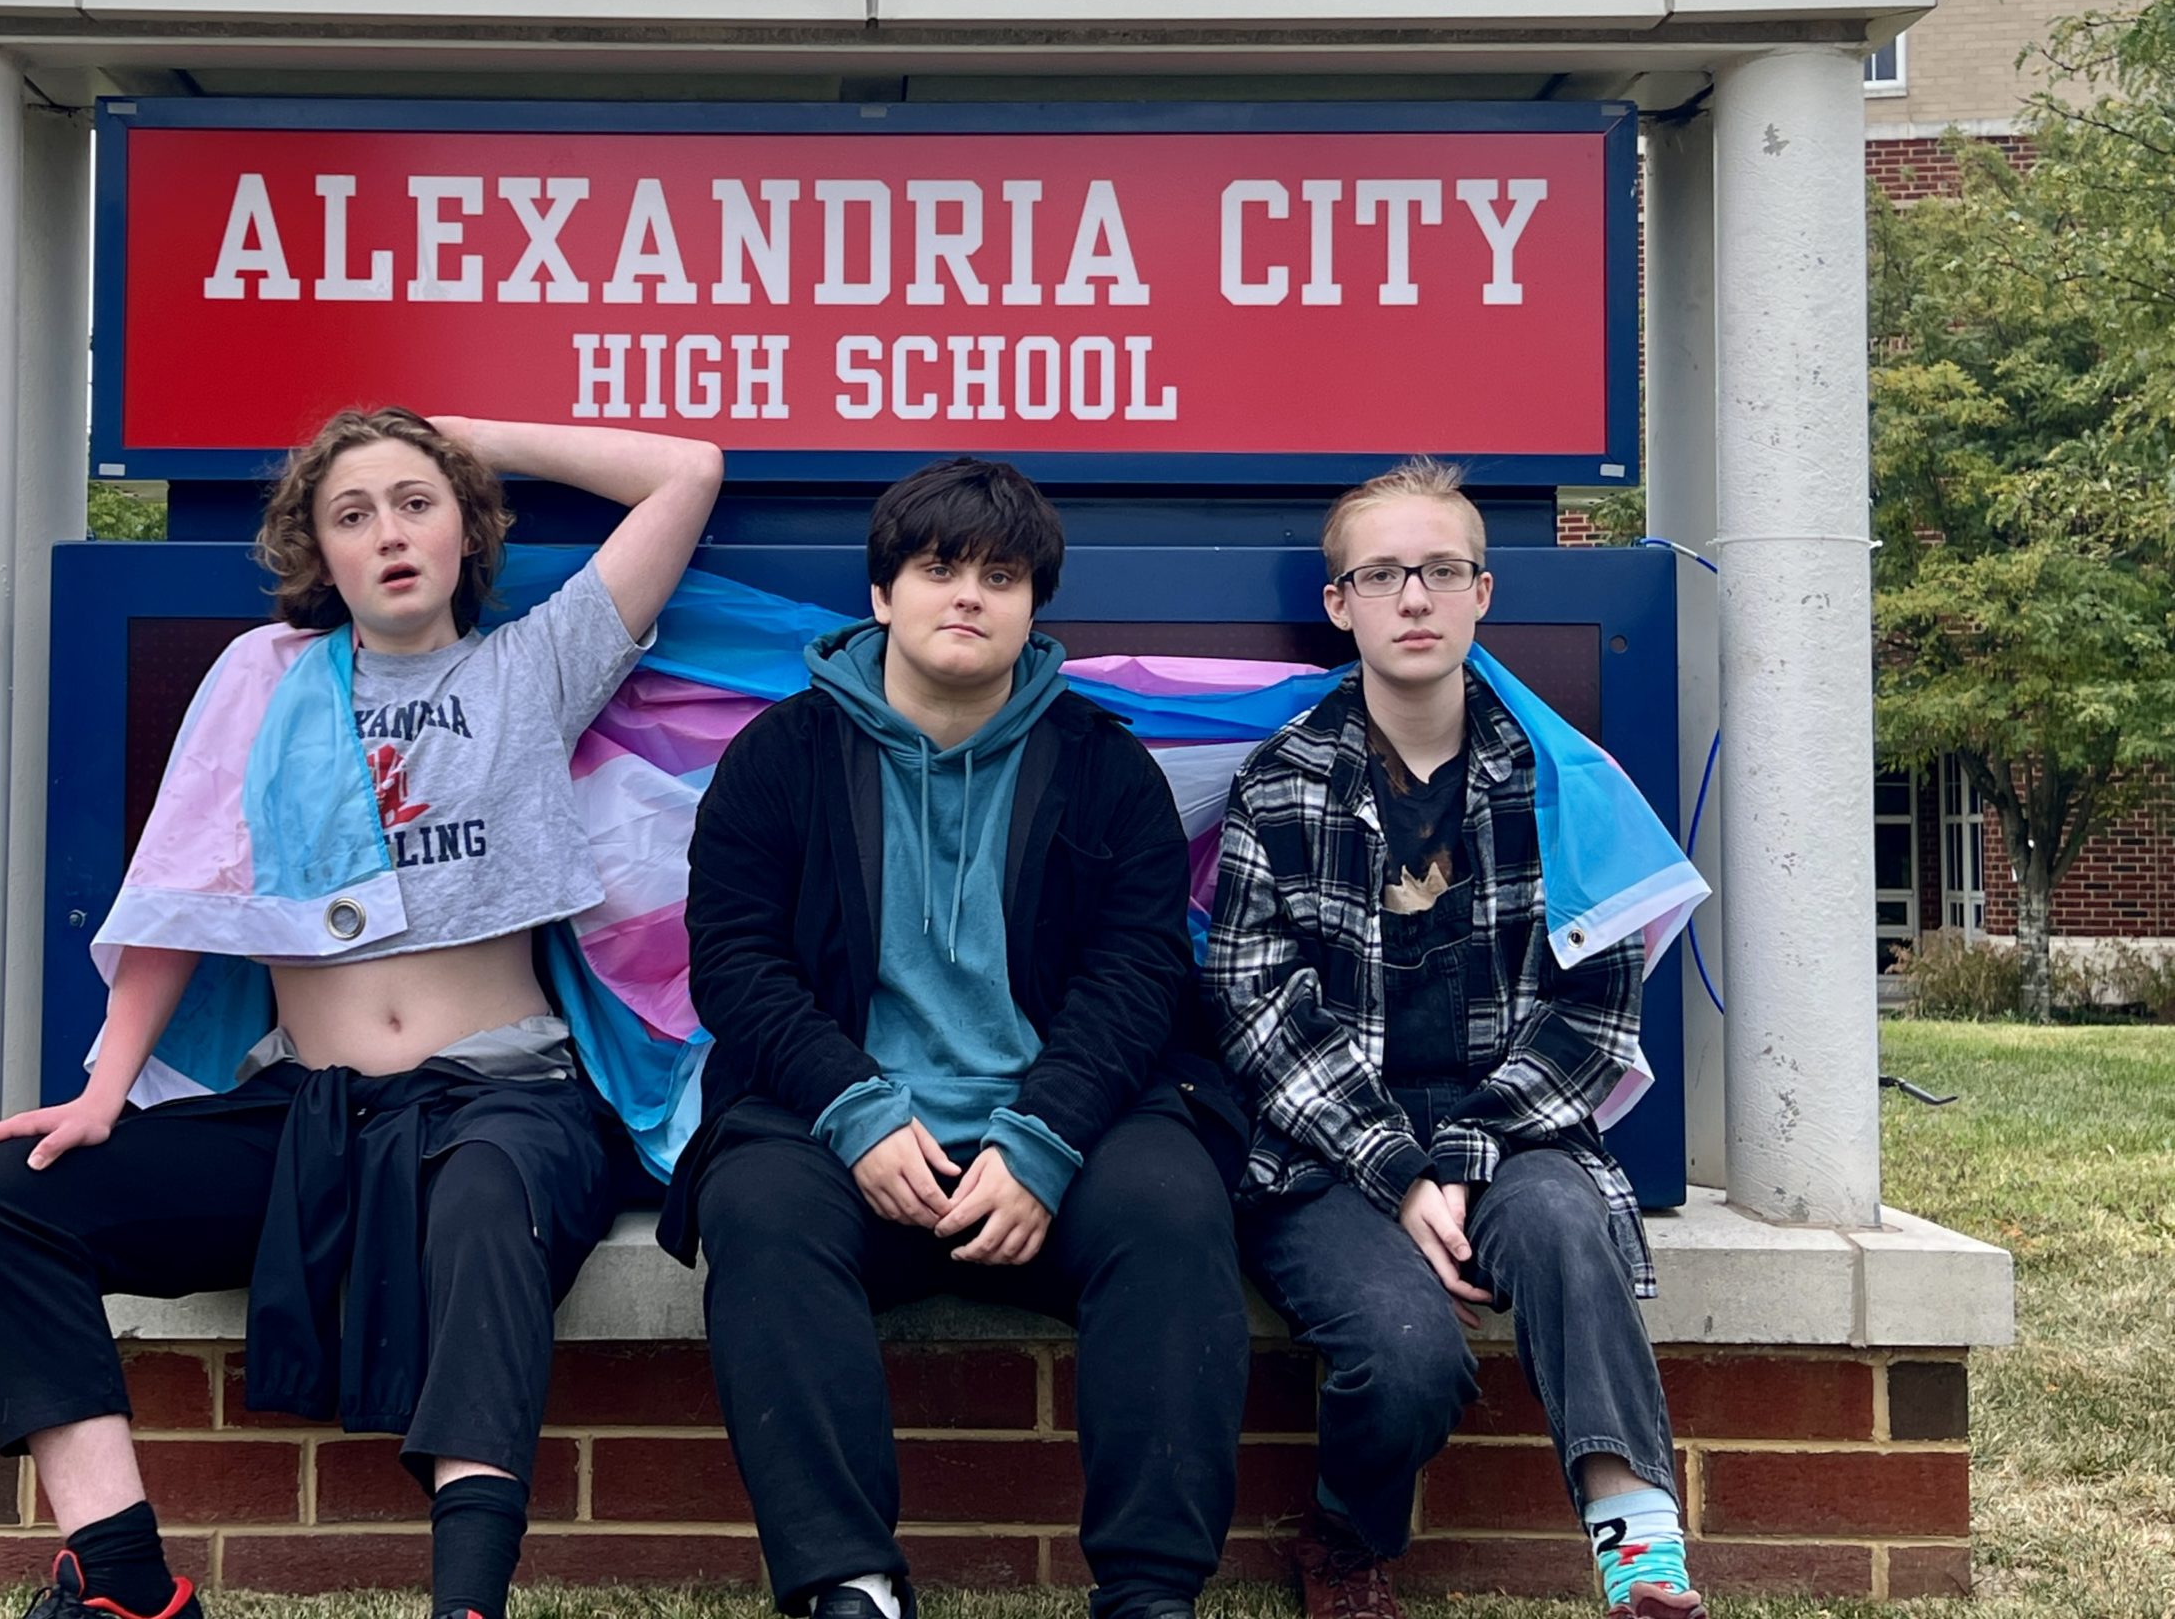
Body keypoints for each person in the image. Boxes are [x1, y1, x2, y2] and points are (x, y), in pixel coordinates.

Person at [0, 408, 723, 1619]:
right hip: (307, 1113)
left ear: (468, 530)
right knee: (8, 1198)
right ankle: (124, 1584)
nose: (390, 534)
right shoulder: (266, 686)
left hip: (506, 1099)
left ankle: (466, 1601)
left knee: (481, 1204)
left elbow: (686, 473)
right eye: (351, 516)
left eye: (419, 503)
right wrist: (106, 1089)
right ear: (320, 555)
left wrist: (454, 435)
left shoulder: (540, 663)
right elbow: (181, 893)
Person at [663, 455, 1252, 1619]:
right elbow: (736, 966)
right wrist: (858, 1111)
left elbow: (1137, 976)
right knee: (758, 1214)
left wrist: (1042, 1142)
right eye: (938, 569)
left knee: (1174, 1209)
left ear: (1035, 606)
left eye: (1000, 574)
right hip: (841, 1127)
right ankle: (849, 1583)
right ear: (883, 595)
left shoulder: (1102, 766)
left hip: (1061, 1137)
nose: (968, 595)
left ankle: (1149, 1591)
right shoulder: (778, 759)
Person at [1202, 458, 1703, 1619]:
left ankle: (1635, 1535)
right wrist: (1395, 1166)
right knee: (1405, 1351)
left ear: (1483, 592)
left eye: (1439, 571)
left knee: (1568, 1231)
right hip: (1325, 1154)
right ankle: (1346, 1533)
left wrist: (1462, 1157)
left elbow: (1593, 1014)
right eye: (1381, 575)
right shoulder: (1281, 784)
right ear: (1341, 605)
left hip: (1513, 1135)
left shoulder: (1570, 784)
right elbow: (1253, 1003)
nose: (1413, 598)